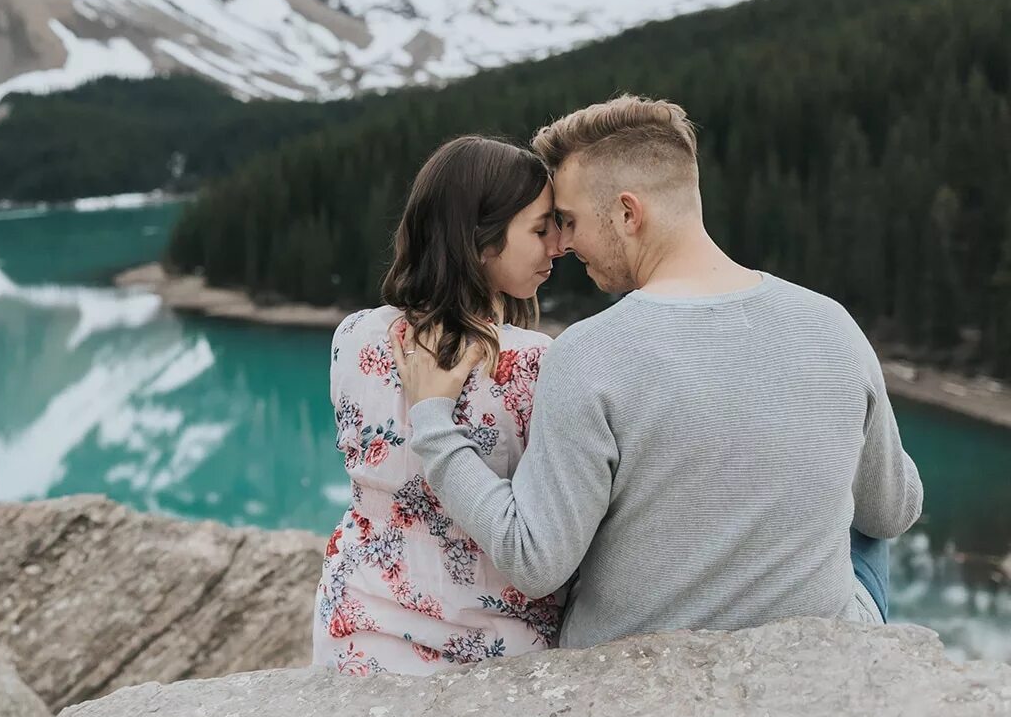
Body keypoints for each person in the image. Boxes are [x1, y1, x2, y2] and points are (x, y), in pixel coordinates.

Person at [397, 95, 922, 649]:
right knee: (865, 526)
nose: (564, 243)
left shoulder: (586, 352)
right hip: (804, 662)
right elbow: (893, 510)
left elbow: (534, 560)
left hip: (631, 673)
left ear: (628, 213)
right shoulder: (832, 324)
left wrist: (433, 423)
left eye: (570, 221)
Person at [313, 135, 569, 675]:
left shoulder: (353, 336)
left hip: (354, 629)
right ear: (481, 240)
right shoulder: (535, 362)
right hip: (492, 651)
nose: (558, 245)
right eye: (540, 228)